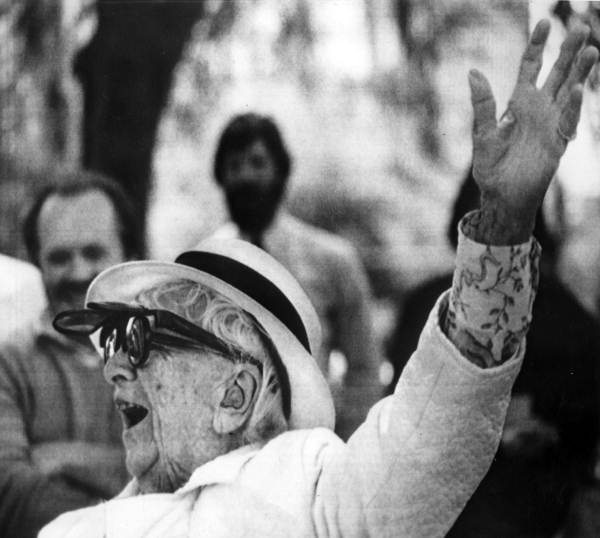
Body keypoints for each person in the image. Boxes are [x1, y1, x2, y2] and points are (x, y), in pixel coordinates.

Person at [40, 20, 597, 538]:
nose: (112, 366)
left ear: (234, 396)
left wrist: (503, 220)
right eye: (118, 338)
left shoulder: (310, 488)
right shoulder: (74, 530)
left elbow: (426, 431)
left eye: (141, 340)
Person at [387, 167, 600, 537]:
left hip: (530, 498)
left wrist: (537, 430)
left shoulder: (567, 317)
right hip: (436, 499)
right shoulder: (425, 304)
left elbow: (585, 413)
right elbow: (397, 407)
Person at [211, 113, 381, 439]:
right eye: (234, 166)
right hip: (229, 450)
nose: (246, 176)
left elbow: (364, 371)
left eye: (258, 162)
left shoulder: (333, 260)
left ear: (281, 171)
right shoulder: (206, 264)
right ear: (221, 178)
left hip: (309, 446)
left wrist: (341, 445)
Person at [0, 170, 143, 538]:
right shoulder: (7, 363)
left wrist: (64, 457)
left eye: (94, 253)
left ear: (129, 255)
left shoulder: (162, 358)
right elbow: (11, 496)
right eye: (59, 258)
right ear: (37, 263)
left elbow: (189, 477)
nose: (78, 272)